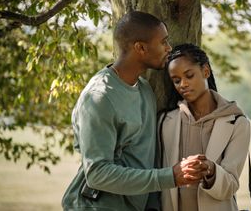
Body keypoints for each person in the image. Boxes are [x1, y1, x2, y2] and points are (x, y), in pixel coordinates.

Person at [62, 12, 209, 211]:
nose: (169, 48)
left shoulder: (144, 89)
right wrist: (171, 177)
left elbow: (145, 156)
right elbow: (97, 173)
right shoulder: (99, 97)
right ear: (140, 47)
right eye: (163, 42)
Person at [159, 43, 251, 211]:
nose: (183, 84)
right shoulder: (166, 121)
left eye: (189, 75)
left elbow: (230, 185)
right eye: (177, 80)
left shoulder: (238, 123)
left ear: (206, 71)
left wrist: (210, 169)